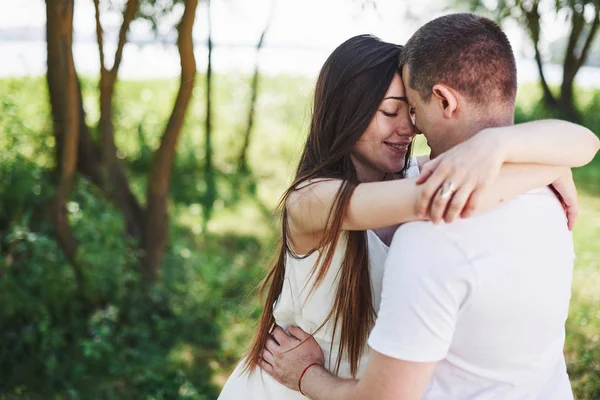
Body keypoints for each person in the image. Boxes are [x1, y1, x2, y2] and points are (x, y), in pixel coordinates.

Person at [220, 31, 600, 400]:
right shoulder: (311, 199)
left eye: (412, 111)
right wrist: (546, 167)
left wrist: (497, 143)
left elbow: (586, 141)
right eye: (390, 112)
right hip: (283, 387)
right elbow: (433, 199)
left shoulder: (415, 174)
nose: (409, 128)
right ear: (346, 112)